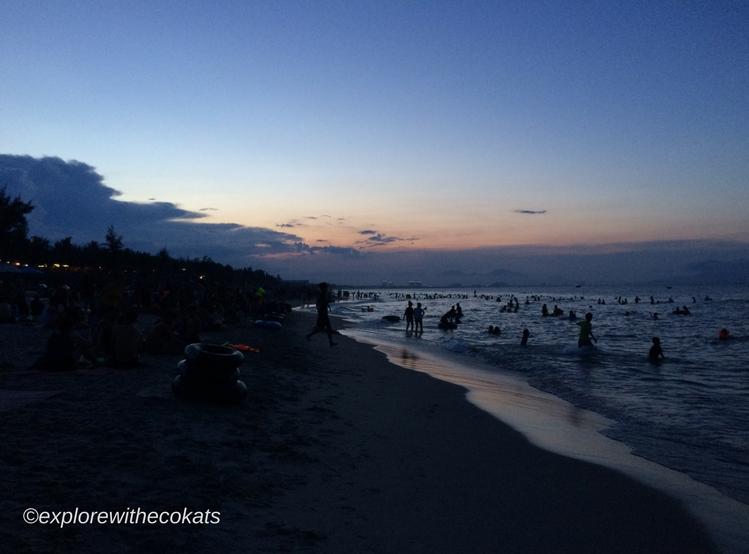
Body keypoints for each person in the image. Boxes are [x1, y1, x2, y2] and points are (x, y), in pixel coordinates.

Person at [306, 282, 336, 346]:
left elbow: (321, 303)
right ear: (324, 288)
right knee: (325, 328)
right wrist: (330, 301)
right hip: (323, 314)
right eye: (326, 287)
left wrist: (328, 304)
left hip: (322, 313)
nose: (327, 288)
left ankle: (330, 342)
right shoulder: (322, 295)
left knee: (322, 328)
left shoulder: (322, 294)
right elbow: (323, 303)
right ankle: (330, 342)